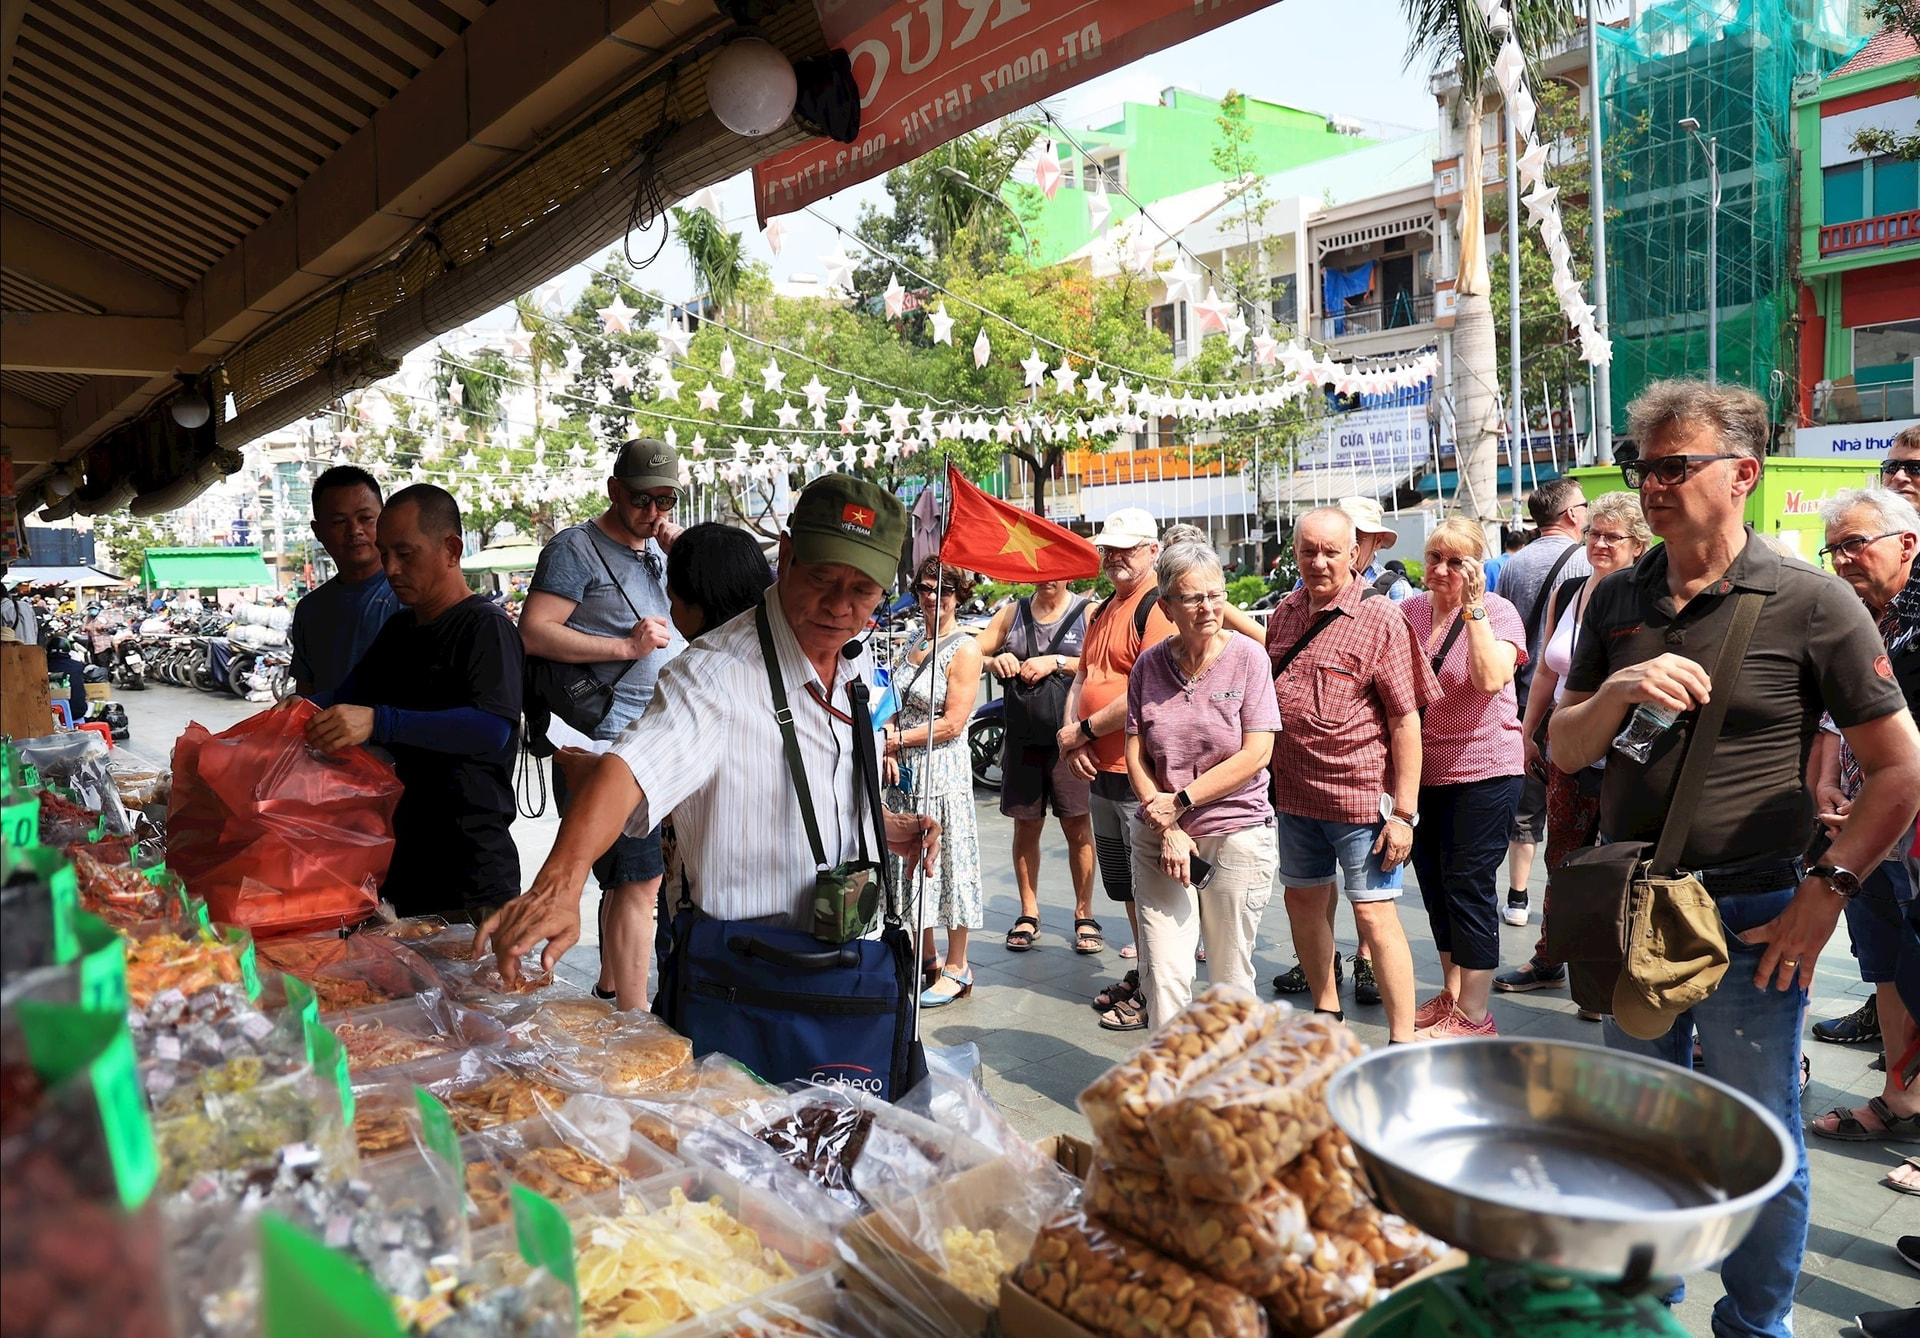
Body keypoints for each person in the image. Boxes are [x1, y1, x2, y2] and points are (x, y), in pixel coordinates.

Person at [1552, 381, 1920, 1338]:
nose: (1653, 485)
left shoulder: (1813, 601)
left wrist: (1826, 894)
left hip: (1756, 912)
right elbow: (1562, 747)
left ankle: (1756, 1326)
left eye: (1677, 466)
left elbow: (1897, 770)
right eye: (1644, 467)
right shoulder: (1616, 597)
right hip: (1634, 903)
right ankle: (1649, 1313)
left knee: (1762, 1140)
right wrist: (1621, 687)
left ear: (1744, 475)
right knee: (1639, 1134)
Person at [476, 475, 940, 992]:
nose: (839, 606)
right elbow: (630, 769)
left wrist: (880, 826)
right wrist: (559, 884)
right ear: (785, 555)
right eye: (822, 579)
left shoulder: (853, 665)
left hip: (845, 970)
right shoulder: (714, 673)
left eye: (862, 591)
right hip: (742, 981)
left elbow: (818, 777)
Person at [306, 485, 525, 922]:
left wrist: (380, 722)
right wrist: (301, 706)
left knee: (474, 989)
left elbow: (492, 728)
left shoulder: (485, 626)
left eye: (405, 553)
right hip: (404, 853)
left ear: (451, 548)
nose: (390, 568)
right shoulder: (401, 629)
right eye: (385, 553)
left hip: (471, 865)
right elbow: (349, 694)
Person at [520, 439, 686, 1007]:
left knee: (631, 878)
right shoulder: (576, 548)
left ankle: (613, 990)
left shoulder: (658, 550)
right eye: (643, 499)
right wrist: (624, 646)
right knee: (639, 881)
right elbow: (535, 629)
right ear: (614, 490)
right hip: (602, 738)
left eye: (666, 499)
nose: (654, 512)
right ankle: (633, 1019)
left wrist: (678, 552)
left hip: (657, 736)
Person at [1266, 508, 1438, 1044]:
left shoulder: (1381, 617)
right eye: (1307, 551)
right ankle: (1326, 1011)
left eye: (1330, 552)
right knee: (1303, 902)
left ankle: (1402, 1039)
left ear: (1354, 552)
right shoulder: (1284, 614)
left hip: (1361, 803)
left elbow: (1406, 718)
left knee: (1373, 916)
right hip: (1293, 797)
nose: (1318, 562)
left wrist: (1405, 814)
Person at [1495, 491, 1652, 1009]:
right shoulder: (1570, 592)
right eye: (1595, 533)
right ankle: (1552, 958)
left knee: (1619, 863)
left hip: (1626, 756)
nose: (1600, 544)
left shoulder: (1646, 599)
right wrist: (1526, 730)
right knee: (1563, 857)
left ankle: (1611, 975)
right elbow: (1545, 668)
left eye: (1613, 537)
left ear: (1638, 544)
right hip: (1566, 746)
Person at [1804, 487, 1920, 1149]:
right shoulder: (1861, 618)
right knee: (1884, 964)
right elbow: (1836, 710)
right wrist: (1826, 775)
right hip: (1859, 826)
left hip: (1910, 829)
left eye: (1857, 544)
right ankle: (1902, 1099)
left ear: (1907, 544)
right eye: (1835, 547)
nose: (1844, 558)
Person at [1124, 542, 1280, 1028]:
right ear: (1167, 607)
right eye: (1193, 598)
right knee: (1165, 971)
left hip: (1234, 832)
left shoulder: (1250, 658)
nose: (1209, 608)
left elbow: (1257, 752)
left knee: (1230, 977)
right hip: (1160, 835)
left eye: (1216, 595)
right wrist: (1166, 821)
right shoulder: (1148, 666)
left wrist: (1183, 802)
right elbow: (1136, 750)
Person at [1401, 517, 1527, 1040]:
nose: (1443, 569)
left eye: (1457, 561)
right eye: (1435, 557)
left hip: (1484, 769)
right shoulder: (1406, 611)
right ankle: (1452, 994)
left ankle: (1475, 1014)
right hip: (1423, 774)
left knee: (1470, 887)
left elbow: (1489, 678)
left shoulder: (1497, 612)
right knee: (1435, 885)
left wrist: (1473, 606)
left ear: (1477, 564)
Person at [1056, 508, 1177, 1021]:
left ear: (1153, 551)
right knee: (1126, 886)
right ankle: (1148, 971)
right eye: (1108, 548)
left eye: (1126, 548)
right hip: (1101, 771)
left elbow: (1142, 688)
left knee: (1154, 890)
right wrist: (1073, 740)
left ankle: (1160, 988)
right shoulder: (1104, 607)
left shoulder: (1158, 607)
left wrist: (1082, 731)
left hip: (1140, 773)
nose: (1114, 557)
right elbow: (1084, 679)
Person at [1486, 478, 1592, 930]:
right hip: (1568, 698)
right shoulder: (1587, 561)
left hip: (1522, 695)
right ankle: (1568, 900)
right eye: (1584, 507)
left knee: (1527, 806)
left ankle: (1516, 896)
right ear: (1570, 514)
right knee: (1573, 807)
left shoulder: (1514, 562)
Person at [882, 558, 986, 1007]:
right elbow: (890, 698)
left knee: (949, 865)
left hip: (941, 769)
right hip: (905, 771)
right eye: (926, 587)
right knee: (912, 860)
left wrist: (894, 741)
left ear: (958, 596)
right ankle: (926, 957)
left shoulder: (965, 648)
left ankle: (958, 966)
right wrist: (888, 735)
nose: (932, 596)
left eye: (944, 589)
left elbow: (954, 723)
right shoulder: (912, 640)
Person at [975, 578, 1097, 954]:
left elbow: (1104, 663)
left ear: (1069, 573)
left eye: (1057, 570)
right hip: (1023, 738)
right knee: (1025, 825)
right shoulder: (1013, 613)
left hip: (1070, 739)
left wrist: (1057, 662)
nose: (1048, 577)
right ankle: (1029, 911)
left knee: (1077, 824)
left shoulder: (1087, 613)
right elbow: (967, 652)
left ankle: (1084, 913)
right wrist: (995, 659)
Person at [290, 465, 399, 697]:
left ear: (385, 519)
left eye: (366, 518)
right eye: (339, 521)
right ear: (317, 531)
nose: (355, 530)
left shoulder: (413, 595)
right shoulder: (309, 611)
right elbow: (307, 695)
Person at [664, 523, 774, 641]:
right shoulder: (780, 638)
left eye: (672, 601)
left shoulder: (696, 659)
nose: (670, 614)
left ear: (697, 610)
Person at [1484, 526, 1528, 593]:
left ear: (1505, 545)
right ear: (1523, 547)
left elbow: (1487, 591)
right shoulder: (1523, 566)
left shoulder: (1490, 563)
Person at [0, 572, 38, 646]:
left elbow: (4, 638)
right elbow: (35, 629)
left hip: (14, 652)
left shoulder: (3, 610)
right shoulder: (25, 606)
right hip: (32, 649)